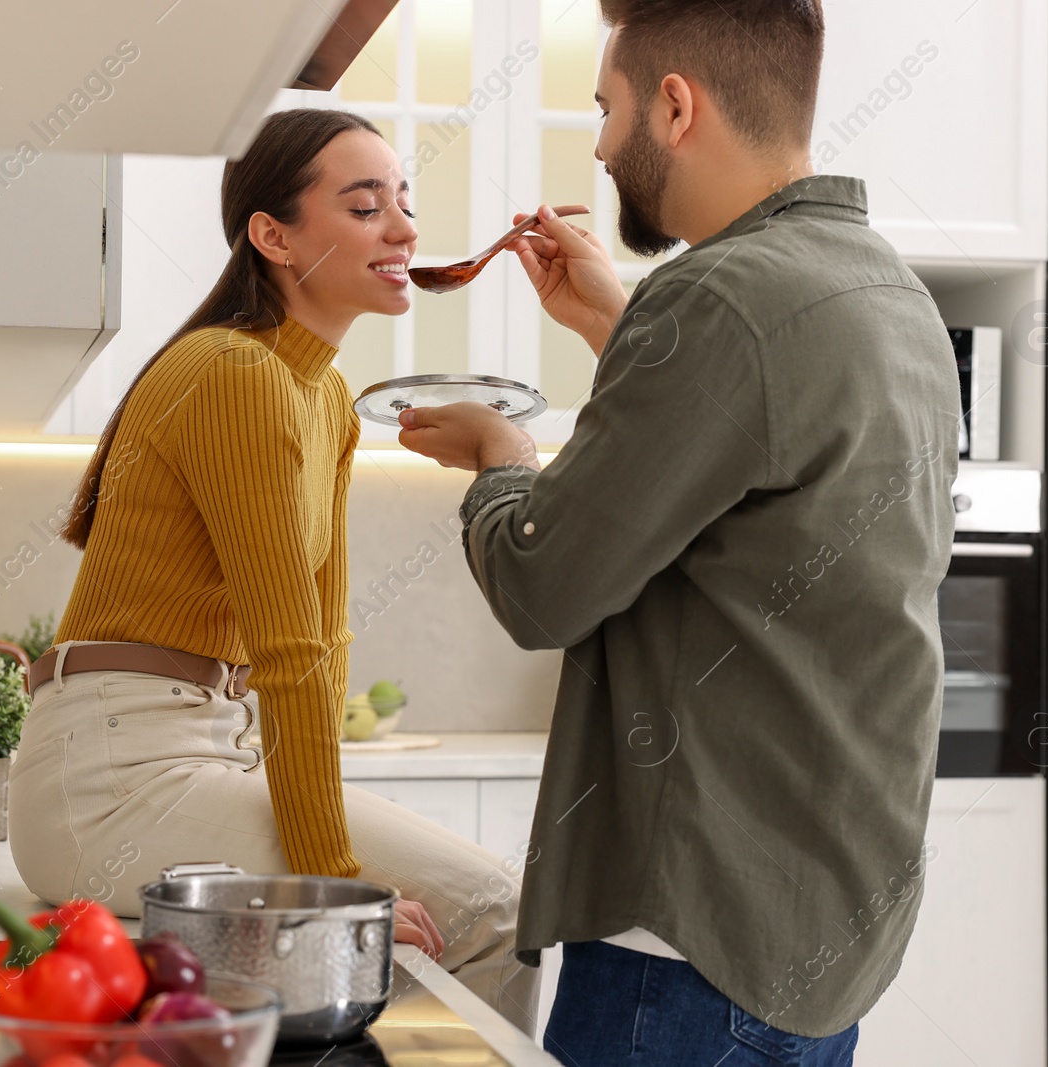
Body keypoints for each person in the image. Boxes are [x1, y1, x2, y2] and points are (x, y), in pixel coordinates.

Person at [396, 1, 959, 1064]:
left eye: (605, 110)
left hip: (683, 946)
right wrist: (617, 321)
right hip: (813, 927)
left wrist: (498, 459)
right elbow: (750, 468)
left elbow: (541, 585)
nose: (602, 146)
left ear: (674, 104)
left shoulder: (715, 297)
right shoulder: (890, 293)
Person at [7, 107, 538, 1032]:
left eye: (403, 202)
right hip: (111, 779)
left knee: (473, 912)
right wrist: (331, 868)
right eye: (366, 206)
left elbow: (322, 641)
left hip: (198, 750)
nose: (406, 230)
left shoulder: (324, 395)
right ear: (273, 236)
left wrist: (328, 859)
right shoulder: (233, 371)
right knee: (491, 909)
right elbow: (292, 650)